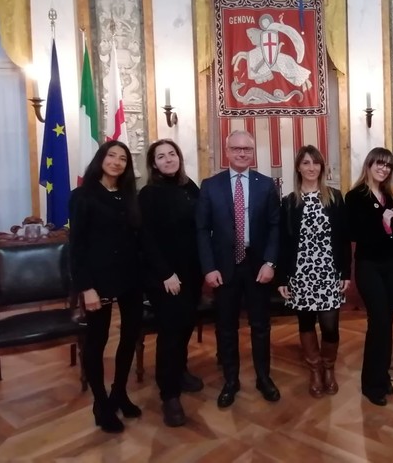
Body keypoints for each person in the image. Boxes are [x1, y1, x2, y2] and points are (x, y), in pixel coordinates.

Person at [196, 130, 281, 408]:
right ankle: (230, 381)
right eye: (237, 149)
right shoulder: (210, 185)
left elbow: (274, 227)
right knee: (226, 327)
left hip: (258, 268)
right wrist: (208, 268)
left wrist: (270, 262)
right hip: (224, 268)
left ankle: (263, 377)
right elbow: (201, 230)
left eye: (247, 149)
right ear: (227, 151)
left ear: (253, 153)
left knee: (260, 326)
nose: (243, 153)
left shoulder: (267, 185)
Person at [69, 140, 143, 433]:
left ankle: (119, 392)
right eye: (111, 156)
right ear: (101, 159)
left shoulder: (128, 195)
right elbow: (77, 247)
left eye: (122, 158)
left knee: (129, 337)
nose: (116, 161)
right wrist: (85, 287)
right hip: (97, 282)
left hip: (131, 279)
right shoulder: (83, 196)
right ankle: (100, 403)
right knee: (97, 342)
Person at [277, 145, 351, 397]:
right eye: (306, 163)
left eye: (315, 163)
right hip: (300, 273)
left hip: (329, 272)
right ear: (298, 167)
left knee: (330, 326)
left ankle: (329, 367)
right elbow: (284, 242)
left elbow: (343, 238)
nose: (311, 168)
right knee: (306, 323)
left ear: (322, 167)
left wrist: (346, 273)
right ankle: (315, 370)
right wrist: (283, 277)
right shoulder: (289, 202)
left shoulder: (335, 198)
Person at [139, 140, 203, 427]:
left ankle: (180, 370)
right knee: (170, 332)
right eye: (161, 157)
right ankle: (169, 394)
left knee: (186, 324)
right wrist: (166, 274)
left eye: (172, 154)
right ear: (154, 163)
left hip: (191, 273)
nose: (168, 160)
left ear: (179, 157)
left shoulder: (190, 188)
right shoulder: (149, 194)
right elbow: (146, 239)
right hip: (165, 277)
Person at [345, 147, 393, 406]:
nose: (383, 169)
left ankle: (382, 375)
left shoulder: (388, 195)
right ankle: (371, 383)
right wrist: (382, 221)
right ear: (369, 165)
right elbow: (357, 233)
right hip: (369, 266)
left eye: (388, 166)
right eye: (379, 164)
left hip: (392, 265)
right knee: (378, 321)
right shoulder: (355, 196)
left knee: (387, 321)